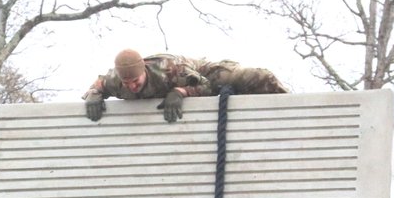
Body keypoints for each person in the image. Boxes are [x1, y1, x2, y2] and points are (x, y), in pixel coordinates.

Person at [83, 48, 288, 123]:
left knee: (258, 77)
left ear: (144, 71)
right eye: (127, 84)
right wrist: (93, 94)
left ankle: (288, 104)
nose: (132, 87)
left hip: (203, 74)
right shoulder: (115, 81)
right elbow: (99, 83)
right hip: (183, 81)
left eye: (136, 81)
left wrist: (181, 92)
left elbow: (208, 87)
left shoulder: (169, 70)